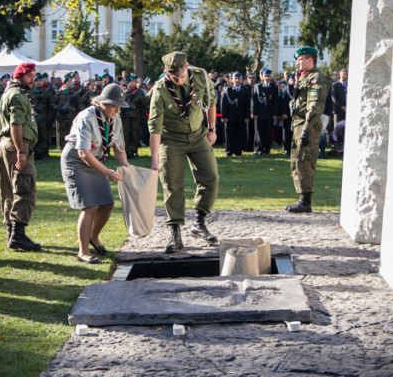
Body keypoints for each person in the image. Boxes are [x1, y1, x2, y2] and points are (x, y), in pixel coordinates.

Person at [148, 51, 219, 252]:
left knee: (211, 177)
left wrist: (212, 129)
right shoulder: (160, 90)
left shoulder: (200, 77)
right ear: (166, 71)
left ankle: (199, 221)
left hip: (198, 136)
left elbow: (211, 102)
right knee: (172, 185)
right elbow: (154, 127)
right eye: (173, 76)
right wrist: (154, 160)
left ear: (186, 67)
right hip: (172, 140)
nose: (178, 79)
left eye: (180, 75)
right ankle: (175, 233)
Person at [61, 83, 131, 263]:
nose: (117, 109)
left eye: (119, 106)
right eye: (113, 105)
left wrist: (124, 164)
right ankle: (83, 251)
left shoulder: (116, 119)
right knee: (90, 206)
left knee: (107, 204)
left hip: (96, 161)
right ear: (102, 103)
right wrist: (107, 172)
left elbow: (118, 147)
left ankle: (94, 237)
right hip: (76, 161)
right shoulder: (86, 117)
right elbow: (83, 153)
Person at [0, 62, 42, 252]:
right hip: (17, 144)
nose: (33, 79)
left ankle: (12, 232)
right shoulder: (17, 95)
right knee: (25, 188)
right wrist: (21, 151)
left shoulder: (10, 92)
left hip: (7, 145)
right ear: (20, 76)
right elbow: (16, 125)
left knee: (9, 189)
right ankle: (18, 235)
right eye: (30, 75)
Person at [285, 47, 327, 213]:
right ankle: (301, 197)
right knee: (296, 161)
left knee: (305, 161)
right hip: (298, 124)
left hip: (308, 125)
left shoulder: (316, 78)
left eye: (301, 59)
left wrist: (307, 129)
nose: (298, 63)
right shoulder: (303, 77)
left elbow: (314, 106)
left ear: (311, 60)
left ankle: (305, 201)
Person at [218, 71, 251, 157]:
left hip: (241, 116)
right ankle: (229, 150)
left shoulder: (245, 90)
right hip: (230, 116)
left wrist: (247, 116)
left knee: (240, 134)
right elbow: (223, 104)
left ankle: (238, 151)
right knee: (229, 134)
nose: (237, 80)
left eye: (239, 78)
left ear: (242, 79)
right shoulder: (227, 90)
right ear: (232, 79)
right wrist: (224, 116)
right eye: (235, 78)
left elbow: (248, 105)